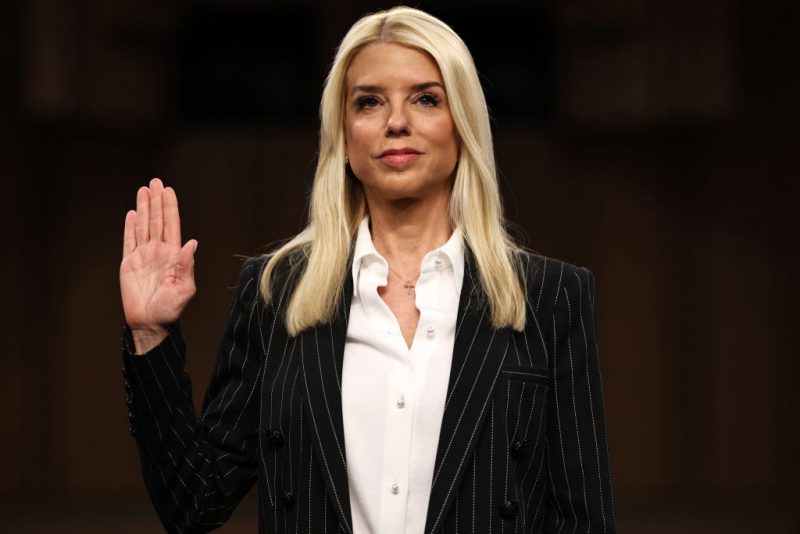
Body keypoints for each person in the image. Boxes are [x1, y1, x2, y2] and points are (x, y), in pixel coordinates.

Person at [119, 6, 616, 534]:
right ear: (345, 135)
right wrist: (151, 335)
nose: (395, 122)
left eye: (425, 98)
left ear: (462, 124)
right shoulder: (276, 293)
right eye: (369, 102)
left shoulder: (549, 297)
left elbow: (583, 520)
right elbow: (194, 501)